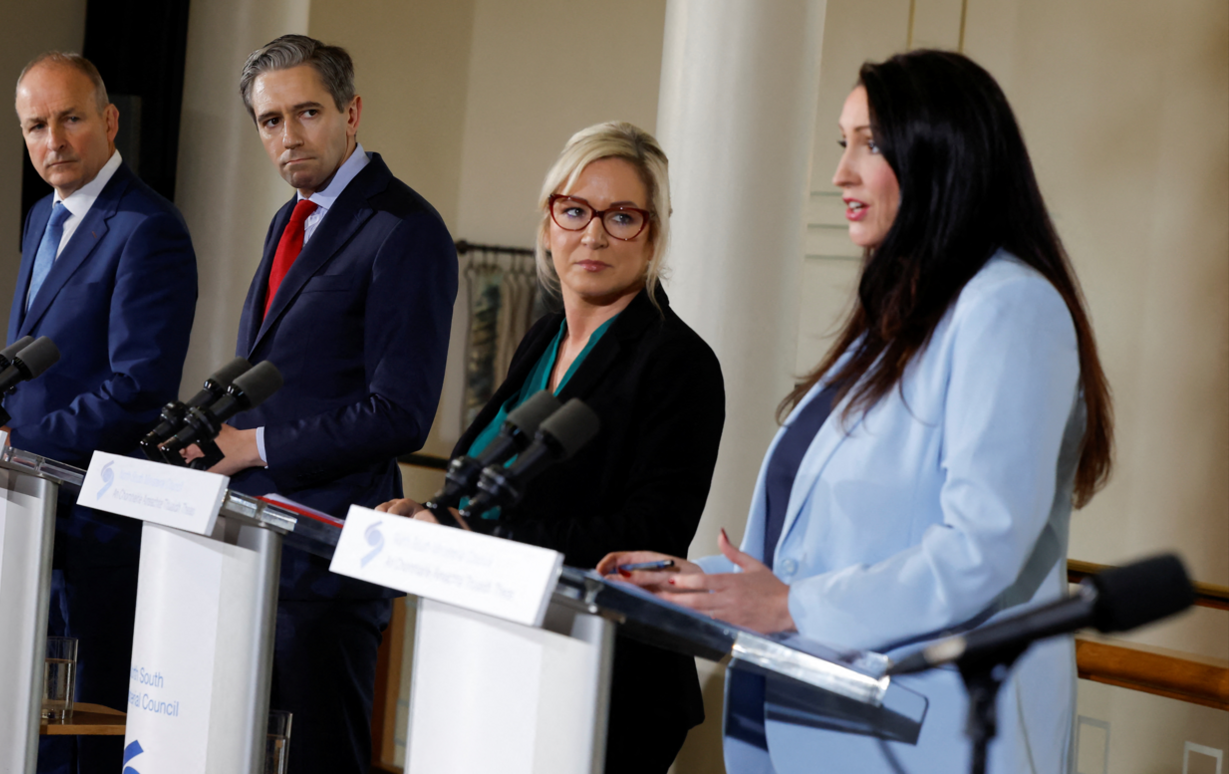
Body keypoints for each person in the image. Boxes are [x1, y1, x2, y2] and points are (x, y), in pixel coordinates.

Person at [599, 50, 1113, 774]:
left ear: (941, 155)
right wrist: (693, 582)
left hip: (931, 734)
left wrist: (790, 606)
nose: (840, 172)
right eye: (843, 143)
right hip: (823, 722)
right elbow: (822, 552)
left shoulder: (1009, 307)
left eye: (868, 143)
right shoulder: (892, 325)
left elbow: (980, 551)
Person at [377, 121, 726, 773]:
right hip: (491, 651)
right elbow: (481, 476)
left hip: (605, 680)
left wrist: (489, 537)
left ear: (654, 232)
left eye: (622, 216)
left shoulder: (678, 362)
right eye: (575, 211)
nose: (592, 234)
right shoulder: (541, 338)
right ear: (548, 223)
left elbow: (651, 533)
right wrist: (430, 517)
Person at [181, 35, 457, 774]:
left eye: (306, 112)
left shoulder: (406, 229)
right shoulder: (289, 221)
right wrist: (213, 437)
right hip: (254, 543)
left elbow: (401, 411)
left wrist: (254, 446)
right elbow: (284, 375)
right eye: (270, 121)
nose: (288, 137)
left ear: (351, 112)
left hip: (329, 560)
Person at [7, 52, 199, 773]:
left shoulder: (148, 228)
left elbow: (138, 387)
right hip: (33, 503)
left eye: (69, 119)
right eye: (35, 125)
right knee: (33, 712)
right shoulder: (40, 217)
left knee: (85, 723)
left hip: (99, 519)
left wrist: (19, 439)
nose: (52, 140)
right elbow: (29, 359)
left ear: (109, 121)